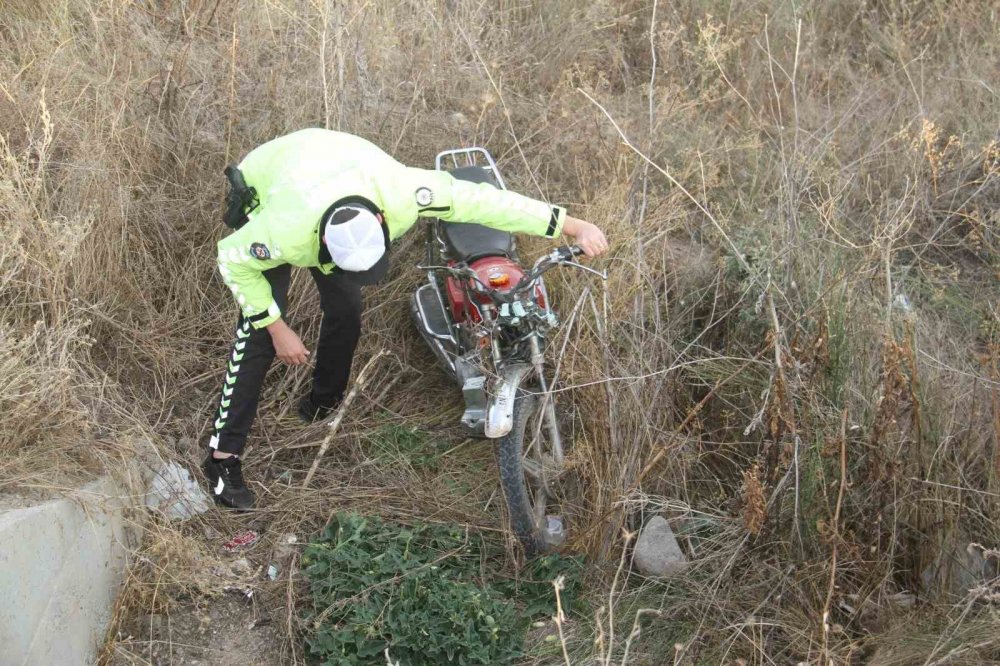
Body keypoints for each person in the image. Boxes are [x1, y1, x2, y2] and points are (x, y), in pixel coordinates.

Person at [203, 128, 609, 509]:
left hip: (338, 165)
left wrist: (572, 225)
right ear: (323, 244)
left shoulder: (403, 191)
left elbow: (487, 202)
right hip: (274, 179)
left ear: (380, 220)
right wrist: (277, 327)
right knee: (257, 334)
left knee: (347, 308)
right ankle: (223, 458)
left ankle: (323, 403)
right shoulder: (280, 231)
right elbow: (232, 260)